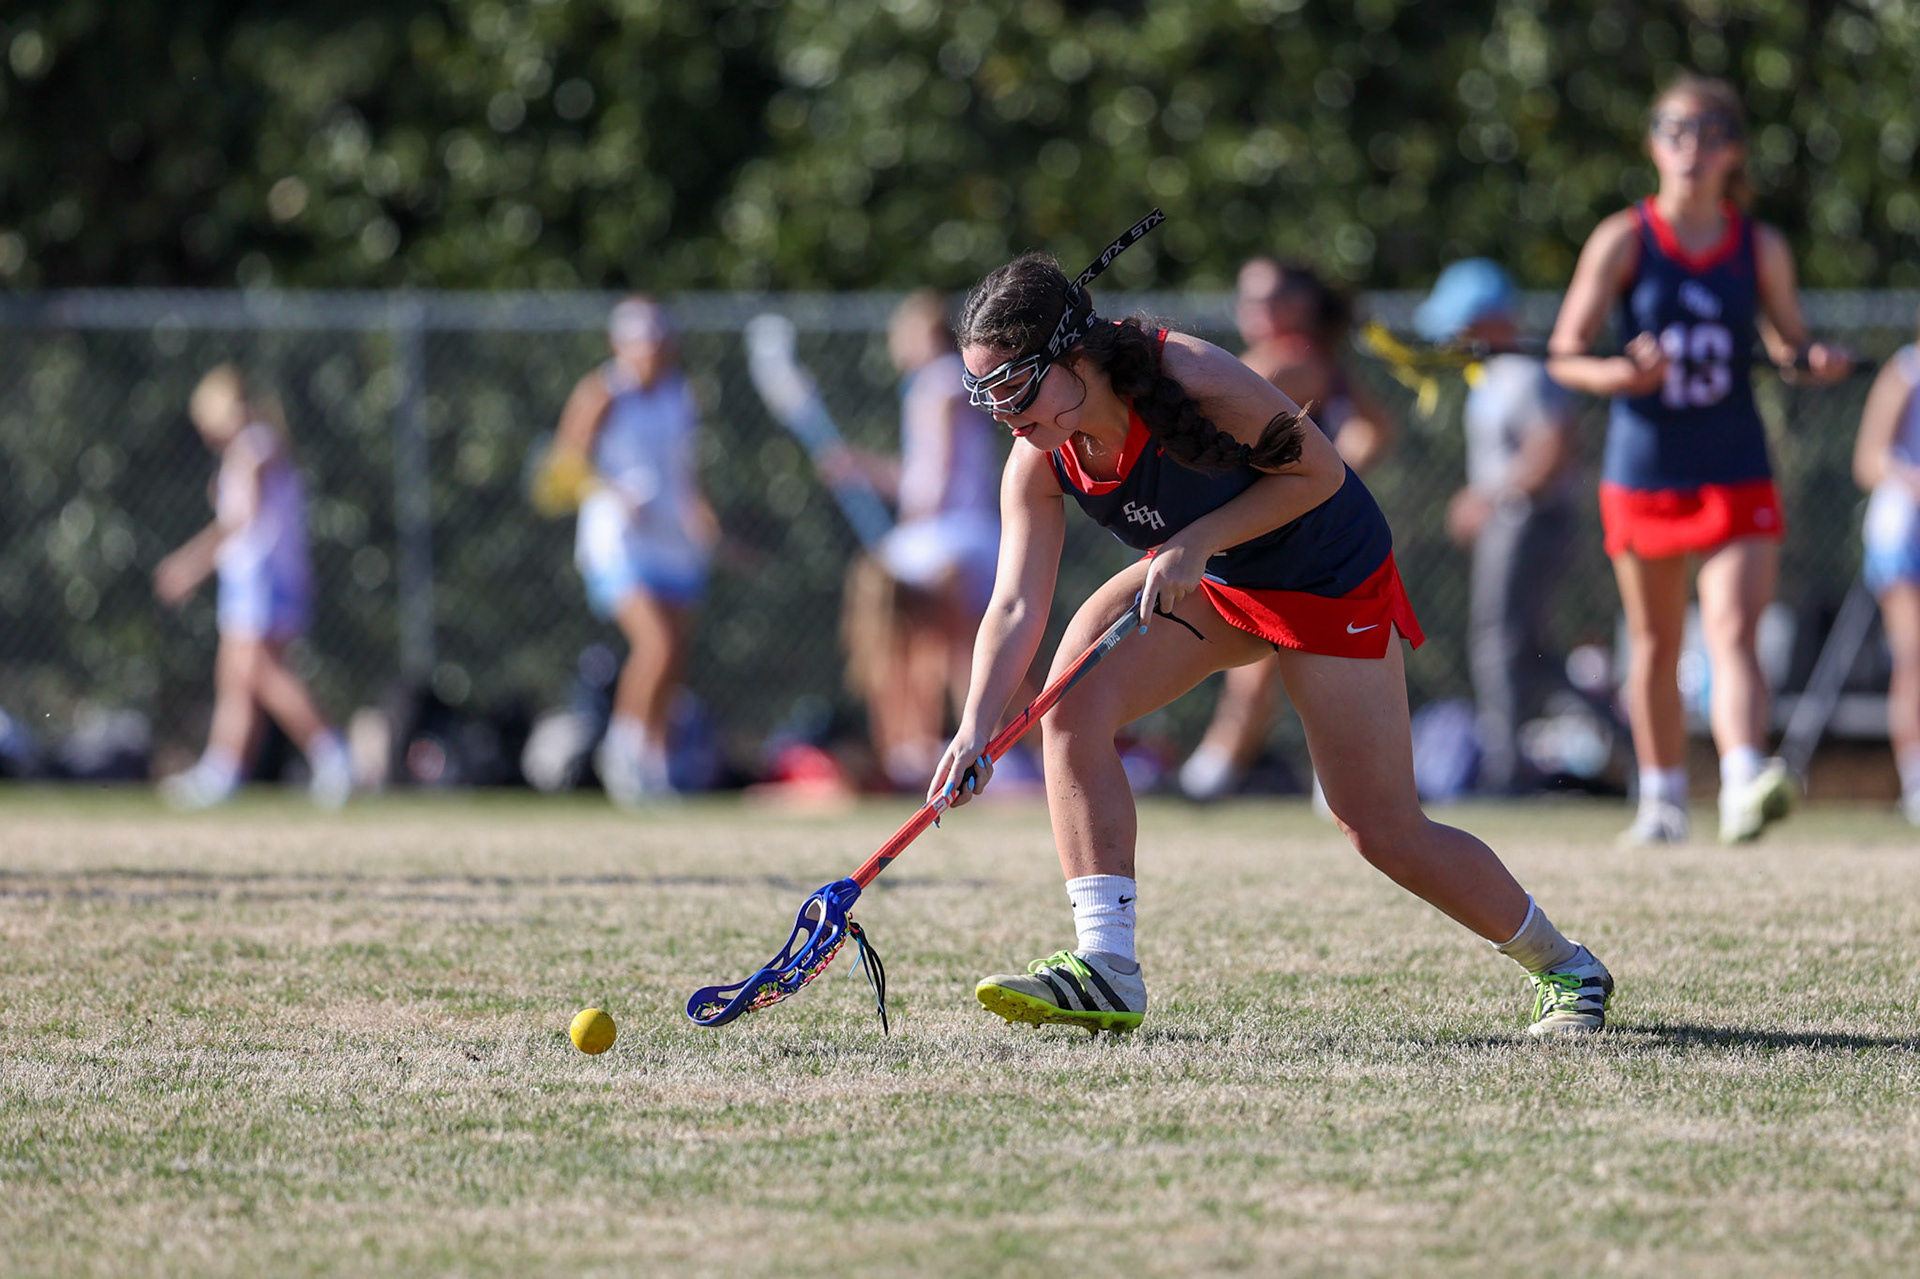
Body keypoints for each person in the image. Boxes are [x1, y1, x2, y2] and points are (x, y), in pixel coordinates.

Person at [929, 233, 1613, 1037]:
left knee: (1381, 828)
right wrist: (976, 725)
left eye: (1017, 387)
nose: (1008, 414)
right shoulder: (1038, 457)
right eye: (989, 395)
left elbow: (1319, 473)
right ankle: (1106, 965)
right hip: (1220, 579)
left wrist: (1198, 540)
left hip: (1326, 575)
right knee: (1072, 694)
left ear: (1071, 351)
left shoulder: (1190, 374)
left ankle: (1568, 967)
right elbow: (1014, 605)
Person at [1547, 73, 1851, 846]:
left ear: (1733, 152)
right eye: (1675, 131)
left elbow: (1787, 345)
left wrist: (1810, 360)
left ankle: (1745, 777)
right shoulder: (1625, 238)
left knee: (1733, 627)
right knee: (1654, 642)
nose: (1691, 147)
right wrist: (1620, 373)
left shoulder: (1759, 246)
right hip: (1645, 469)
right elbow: (1565, 354)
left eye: (1711, 133)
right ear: (1654, 144)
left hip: (1736, 463)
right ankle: (1663, 798)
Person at [1178, 259, 1397, 800]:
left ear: (1299, 305)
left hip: (1292, 546)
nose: (1251, 311)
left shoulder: (1287, 364)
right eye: (1246, 300)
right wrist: (1339, 479)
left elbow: (1375, 429)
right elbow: (1378, 426)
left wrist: (1324, 486)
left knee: (1265, 670)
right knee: (1294, 667)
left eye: (1266, 299)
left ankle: (1208, 779)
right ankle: (1225, 774)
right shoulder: (1319, 362)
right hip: (1305, 541)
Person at [1415, 259, 1581, 794]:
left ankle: (1504, 773)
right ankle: (1621, 743)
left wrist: (1492, 500)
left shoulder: (1528, 369)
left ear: (1488, 319)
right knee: (1530, 653)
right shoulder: (1496, 372)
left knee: (1498, 645)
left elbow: (1553, 446)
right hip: (1513, 522)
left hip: (1528, 522)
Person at [153, 365, 352, 809]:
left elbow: (239, 521)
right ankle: (223, 770)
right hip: (253, 579)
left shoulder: (254, 449)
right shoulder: (257, 448)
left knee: (265, 674)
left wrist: (188, 565)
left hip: (264, 579)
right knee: (237, 679)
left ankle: (331, 751)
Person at [547, 297, 718, 805]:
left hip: (671, 542)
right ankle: (622, 750)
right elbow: (563, 466)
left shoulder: (678, 395)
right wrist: (614, 492)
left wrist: (701, 517)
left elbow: (685, 474)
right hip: (618, 541)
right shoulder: (603, 392)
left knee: (675, 658)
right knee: (656, 644)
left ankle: (654, 762)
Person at [833, 291, 1004, 789]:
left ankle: (906, 746)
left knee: (890, 619)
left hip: (951, 539)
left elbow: (929, 487)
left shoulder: (936, 387)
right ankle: (939, 747)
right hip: (970, 535)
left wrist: (861, 469)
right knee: (949, 642)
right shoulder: (958, 382)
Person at [1852, 325, 1920, 825]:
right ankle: (1916, 780)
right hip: (1904, 534)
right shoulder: (1906, 370)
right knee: (1914, 656)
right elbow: (1868, 460)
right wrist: (1910, 478)